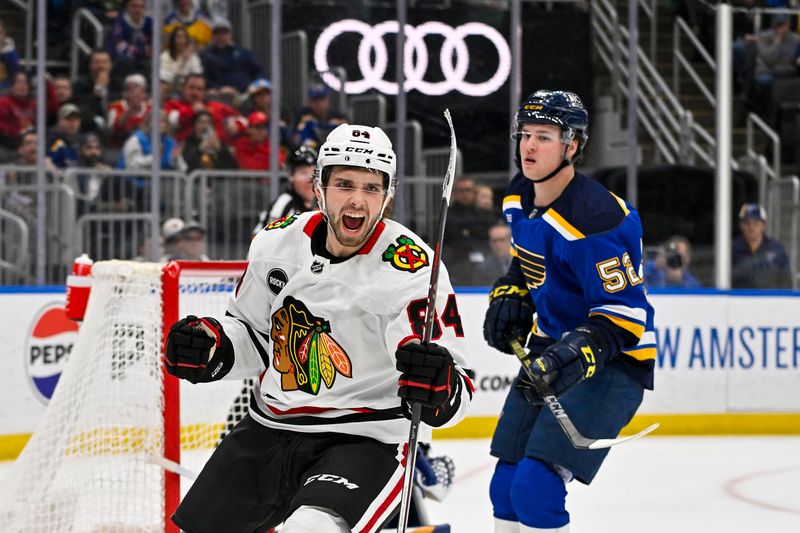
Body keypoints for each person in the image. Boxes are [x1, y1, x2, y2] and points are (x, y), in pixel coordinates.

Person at [164, 123, 474, 533]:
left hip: (365, 439)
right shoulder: (277, 244)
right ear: (319, 186)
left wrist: (440, 388)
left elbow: (459, 387)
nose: (358, 201)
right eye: (345, 184)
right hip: (269, 426)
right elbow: (253, 336)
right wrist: (213, 347)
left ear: (388, 195)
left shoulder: (412, 270)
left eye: (371, 187)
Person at [483, 90, 655, 533]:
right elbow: (528, 257)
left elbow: (626, 317)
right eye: (525, 134)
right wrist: (511, 290)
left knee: (535, 489)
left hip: (616, 361)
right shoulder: (520, 195)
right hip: (553, 346)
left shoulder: (596, 220)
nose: (529, 146)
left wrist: (574, 352)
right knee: (505, 487)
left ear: (573, 146)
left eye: (544, 136)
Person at [251, 145, 317, 235]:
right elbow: (259, 238)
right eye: (303, 172)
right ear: (291, 176)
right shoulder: (284, 203)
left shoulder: (318, 204)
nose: (310, 179)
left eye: (314, 172)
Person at [200, 17, 263, 102]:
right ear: (212, 36)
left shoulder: (243, 53)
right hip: (219, 97)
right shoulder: (206, 56)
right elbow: (203, 78)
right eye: (217, 34)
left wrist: (253, 88)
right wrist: (218, 88)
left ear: (230, 35)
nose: (220, 37)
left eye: (224, 33)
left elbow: (259, 71)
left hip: (246, 96)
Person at [732, 203, 792, 289]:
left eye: (756, 223)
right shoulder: (732, 249)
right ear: (741, 225)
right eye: (747, 223)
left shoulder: (776, 249)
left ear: (763, 225)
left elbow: (786, 282)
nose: (751, 227)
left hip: (770, 300)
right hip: (740, 300)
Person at [292, 83, 348, 149]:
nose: (318, 103)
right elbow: (293, 139)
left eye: (321, 99)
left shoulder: (339, 118)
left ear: (328, 100)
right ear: (310, 102)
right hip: (310, 152)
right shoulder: (303, 116)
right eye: (315, 100)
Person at [159, 26, 204, 96]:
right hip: (171, 90)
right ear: (173, 40)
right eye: (178, 37)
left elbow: (198, 76)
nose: (181, 40)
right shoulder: (165, 57)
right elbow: (167, 81)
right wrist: (183, 62)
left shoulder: (193, 57)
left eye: (183, 37)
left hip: (190, 90)